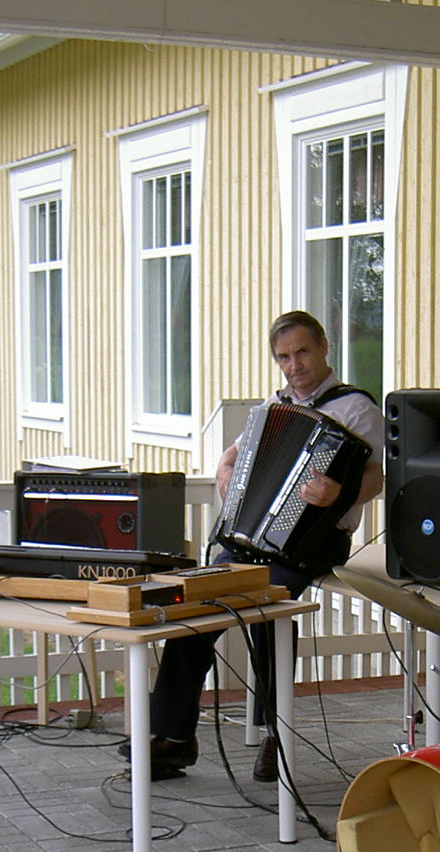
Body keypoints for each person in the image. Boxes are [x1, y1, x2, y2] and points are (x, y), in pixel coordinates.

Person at [122, 311, 383, 783]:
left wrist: (340, 495)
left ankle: (273, 736)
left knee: (264, 607)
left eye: (302, 352)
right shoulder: (274, 404)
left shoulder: (355, 408)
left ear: (324, 347)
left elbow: (378, 477)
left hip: (318, 541)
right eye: (284, 357)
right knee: (193, 601)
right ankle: (173, 736)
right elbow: (236, 456)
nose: (294, 365)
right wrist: (225, 472)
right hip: (254, 539)